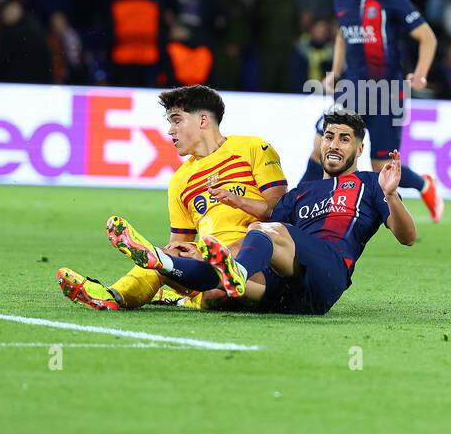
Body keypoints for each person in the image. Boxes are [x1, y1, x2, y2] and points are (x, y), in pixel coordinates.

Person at [115, 108, 416, 316]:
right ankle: (164, 261)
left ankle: (237, 273)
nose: (333, 144)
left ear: (360, 148)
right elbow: (266, 232)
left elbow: (408, 238)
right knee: (223, 284)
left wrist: (391, 195)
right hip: (290, 296)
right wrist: (197, 250)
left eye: (344, 138)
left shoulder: (370, 184)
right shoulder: (302, 192)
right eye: (328, 137)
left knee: (258, 236)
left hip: (329, 273)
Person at [56, 84, 288, 310]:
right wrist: (182, 253)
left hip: (256, 263)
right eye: (169, 122)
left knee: (218, 288)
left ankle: (188, 295)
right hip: (208, 261)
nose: (170, 131)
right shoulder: (180, 180)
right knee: (164, 257)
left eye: (176, 120)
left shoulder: (253, 148)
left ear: (203, 120)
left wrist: (237, 201)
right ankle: (112, 295)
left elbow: (280, 214)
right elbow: (180, 243)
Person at [299, 0, 444, 223]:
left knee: (381, 167)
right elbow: (342, 35)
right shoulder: (341, 1)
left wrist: (421, 74)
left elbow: (427, 37)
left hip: (388, 94)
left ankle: (424, 185)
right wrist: (335, 73)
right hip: (352, 91)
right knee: (321, 150)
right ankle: (296, 211)